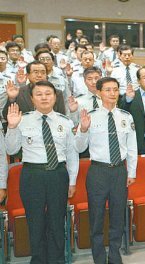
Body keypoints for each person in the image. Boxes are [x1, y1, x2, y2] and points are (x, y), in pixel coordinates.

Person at [5, 81, 78, 263]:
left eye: (48, 93)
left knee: (56, 222)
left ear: (55, 97)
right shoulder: (22, 120)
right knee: (35, 222)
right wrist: (12, 127)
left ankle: (57, 260)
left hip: (58, 174)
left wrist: (73, 181)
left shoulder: (65, 122)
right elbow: (12, 149)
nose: (44, 97)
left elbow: (72, 154)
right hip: (32, 175)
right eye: (39, 94)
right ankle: (38, 259)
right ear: (32, 98)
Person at [75, 77, 137, 264]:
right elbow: (79, 147)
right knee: (96, 217)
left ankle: (115, 255)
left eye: (115, 90)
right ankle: (99, 257)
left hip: (119, 171)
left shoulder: (126, 117)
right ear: (99, 92)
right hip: (98, 172)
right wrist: (83, 130)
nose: (112, 93)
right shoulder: (90, 116)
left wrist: (131, 172)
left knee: (118, 216)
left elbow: (132, 147)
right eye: (108, 90)